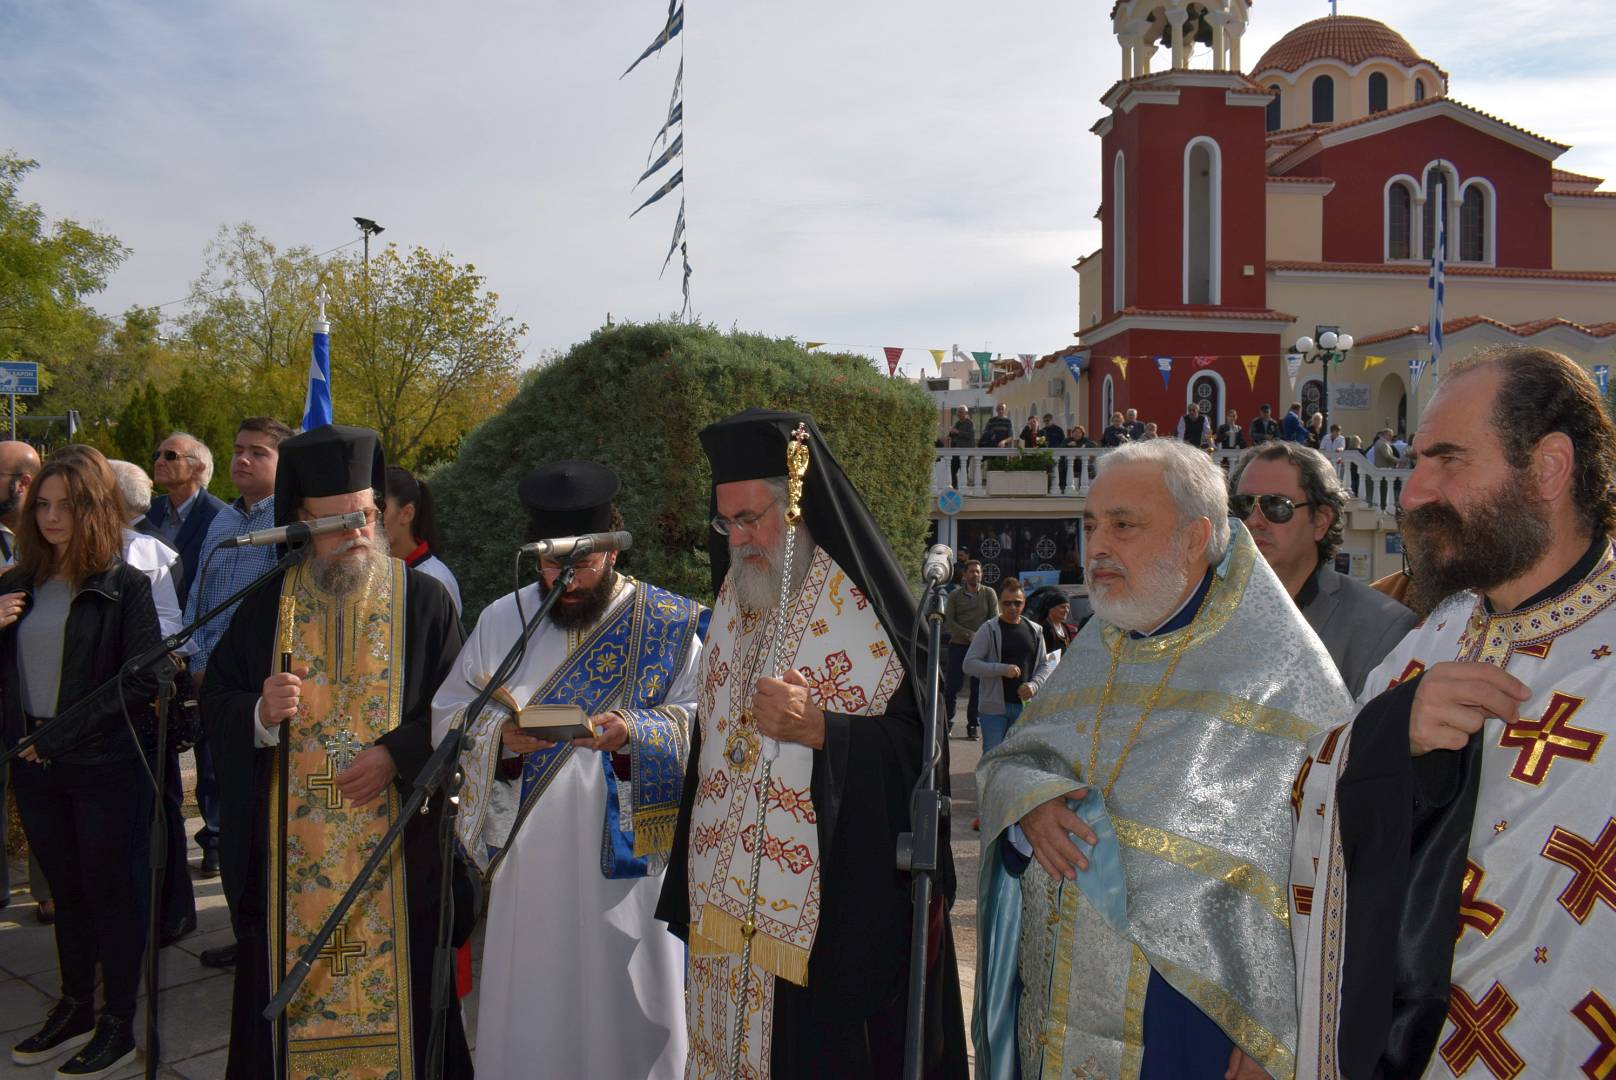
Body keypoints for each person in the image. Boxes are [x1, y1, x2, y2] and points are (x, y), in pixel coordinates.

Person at [974, 438, 1353, 1080]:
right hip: (1060, 1000)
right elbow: (1018, 759)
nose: (1097, 546)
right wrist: (1029, 807)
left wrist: (1280, 1031)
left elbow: (1328, 867)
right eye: (1091, 525)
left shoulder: (1283, 675)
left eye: (1123, 525)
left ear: (1194, 537)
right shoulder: (1096, 650)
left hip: (1194, 1019)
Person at [1291, 346, 1616, 1079]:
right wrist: (1387, 737)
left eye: (1447, 460)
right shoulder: (1435, 635)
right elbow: (1306, 801)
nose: (1413, 493)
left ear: (1549, 468)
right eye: (1415, 461)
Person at [658, 408, 968, 1078]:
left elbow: (921, 752)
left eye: (751, 518)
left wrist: (824, 728)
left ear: (796, 506)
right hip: (723, 910)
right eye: (726, 523)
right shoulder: (732, 599)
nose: (739, 539)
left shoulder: (863, 608)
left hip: (828, 922)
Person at [201, 425, 472, 1079]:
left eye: (367, 516)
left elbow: (461, 708)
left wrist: (398, 755)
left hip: (396, 858)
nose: (357, 533)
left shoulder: (424, 601)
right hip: (291, 868)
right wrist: (259, 712)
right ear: (300, 519)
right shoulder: (267, 606)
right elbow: (217, 703)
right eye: (337, 521)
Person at [431, 460, 701, 1078]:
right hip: (531, 857)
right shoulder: (502, 619)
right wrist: (502, 740)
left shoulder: (666, 622)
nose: (566, 579)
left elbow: (703, 716)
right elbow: (449, 715)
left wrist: (635, 731)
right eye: (552, 564)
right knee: (535, 999)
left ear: (613, 548)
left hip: (626, 862)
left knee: (630, 1007)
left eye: (582, 563)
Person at [2, 447, 162, 1077]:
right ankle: (75, 1006)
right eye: (41, 504)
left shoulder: (124, 585)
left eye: (66, 505)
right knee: (66, 894)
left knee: (112, 894)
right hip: (32, 763)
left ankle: (117, 1020)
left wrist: (61, 735)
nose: (50, 517)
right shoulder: (15, 584)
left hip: (104, 764)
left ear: (93, 508)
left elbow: (141, 680)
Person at [182, 416, 293, 900]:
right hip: (213, 681)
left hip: (258, 688)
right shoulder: (223, 520)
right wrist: (197, 660)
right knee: (222, 793)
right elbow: (199, 595)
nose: (242, 459)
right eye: (237, 449)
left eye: (258, 452)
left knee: (259, 809)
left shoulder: (287, 524)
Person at [1230, 442, 1416, 695]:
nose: (1253, 521)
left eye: (1276, 505)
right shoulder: (1206, 611)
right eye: (1243, 505)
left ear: (1320, 521)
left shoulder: (1381, 627)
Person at [110, 459, 200, 948]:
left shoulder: (150, 552)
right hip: (100, 706)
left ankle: (171, 910)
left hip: (144, 700)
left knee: (159, 807)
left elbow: (174, 626)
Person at [0, 438, 48, 922]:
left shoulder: (54, 537)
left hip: (42, 703)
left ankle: (49, 890)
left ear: (22, 483)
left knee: (45, 795)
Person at [962, 577, 1055, 755]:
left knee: (1019, 758)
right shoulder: (988, 629)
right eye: (1007, 603)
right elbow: (969, 665)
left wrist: (1034, 686)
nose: (1012, 607)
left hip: (1024, 708)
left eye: (1017, 603)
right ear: (999, 603)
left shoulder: (1035, 630)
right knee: (993, 757)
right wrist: (1002, 669)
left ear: (1024, 603)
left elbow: (1046, 665)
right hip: (994, 709)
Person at [144, 431, 227, 607]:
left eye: (170, 456)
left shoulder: (220, 518)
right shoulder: (149, 510)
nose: (159, 462)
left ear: (198, 467)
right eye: (156, 455)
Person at [382, 464, 462, 616]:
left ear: (407, 514)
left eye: (380, 510)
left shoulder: (436, 579)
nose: (369, 522)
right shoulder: (374, 573)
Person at [943, 559, 998, 740]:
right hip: (958, 645)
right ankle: (947, 722)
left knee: (977, 689)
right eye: (972, 571)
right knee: (952, 687)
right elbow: (949, 620)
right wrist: (967, 634)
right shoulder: (955, 595)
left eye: (978, 571)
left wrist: (980, 636)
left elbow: (994, 618)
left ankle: (973, 724)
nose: (975, 574)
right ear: (965, 575)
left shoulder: (989, 593)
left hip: (981, 648)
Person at [1025, 585, 1076, 658]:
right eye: (1062, 607)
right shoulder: (1043, 628)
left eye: (1068, 607)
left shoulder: (1065, 627)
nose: (1066, 610)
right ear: (1051, 608)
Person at [947, 407, 975, 489]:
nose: (958, 414)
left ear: (966, 413)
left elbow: (970, 435)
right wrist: (951, 432)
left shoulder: (969, 423)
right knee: (953, 469)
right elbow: (953, 435)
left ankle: (964, 488)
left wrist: (958, 431)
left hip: (965, 450)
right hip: (956, 450)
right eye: (958, 412)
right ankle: (955, 488)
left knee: (963, 470)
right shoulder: (958, 423)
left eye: (960, 412)